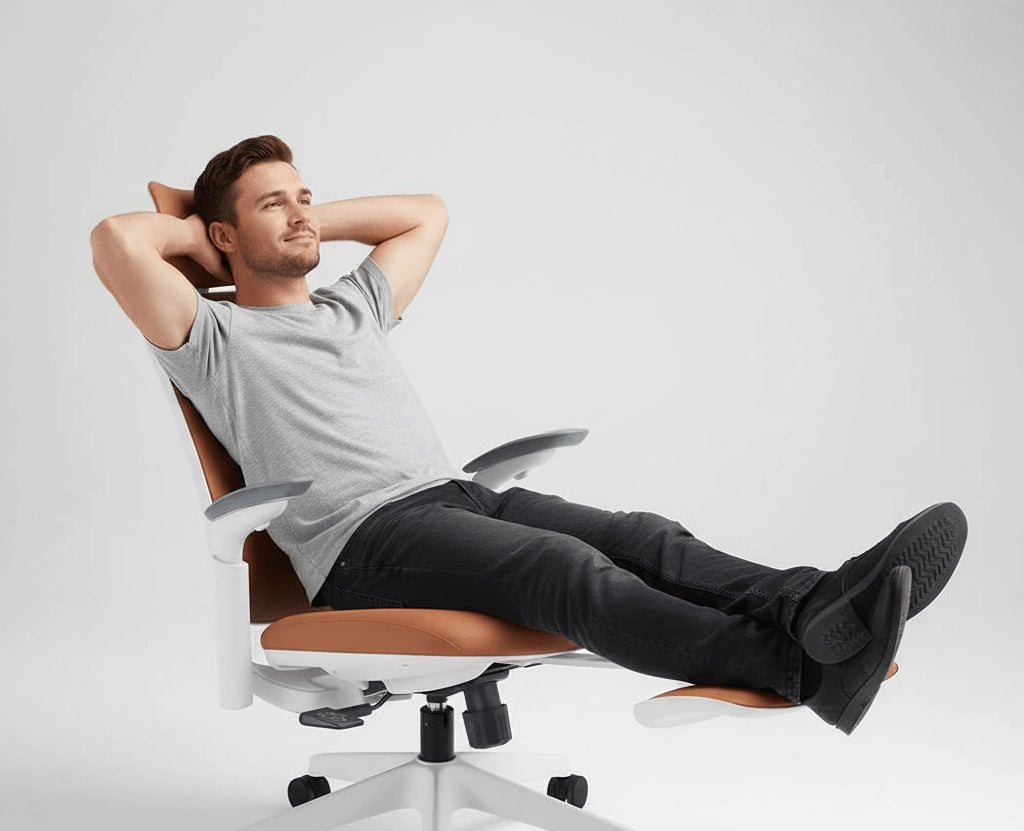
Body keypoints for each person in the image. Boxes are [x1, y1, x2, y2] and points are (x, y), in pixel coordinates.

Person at [90, 135, 968, 735]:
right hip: (363, 545)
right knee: (568, 574)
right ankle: (803, 667)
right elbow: (115, 242)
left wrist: (295, 219)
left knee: (643, 536)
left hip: (451, 498)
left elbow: (424, 213)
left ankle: (820, 602)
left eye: (305, 198)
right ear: (218, 235)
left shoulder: (350, 305)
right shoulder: (213, 340)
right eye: (272, 206)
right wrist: (214, 249)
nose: (302, 215)